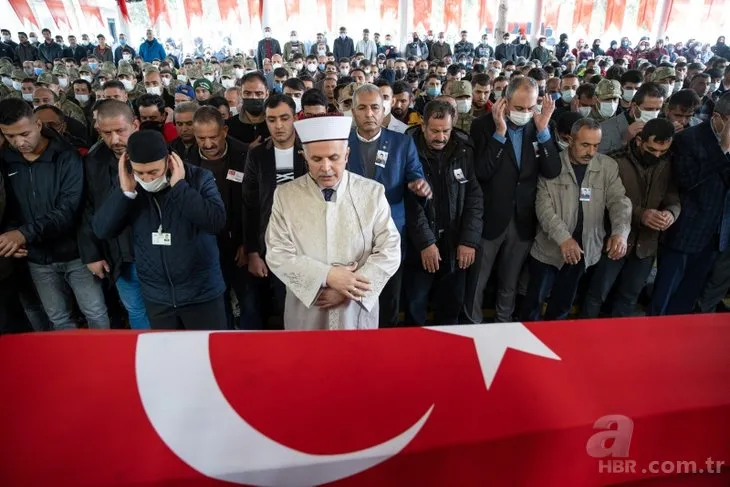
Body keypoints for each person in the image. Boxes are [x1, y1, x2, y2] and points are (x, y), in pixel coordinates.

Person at [265, 115, 401, 330]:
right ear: (304, 157)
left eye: (334, 157)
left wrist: (348, 289)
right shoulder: (285, 195)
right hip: (308, 308)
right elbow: (277, 253)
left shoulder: (372, 192)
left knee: (355, 360)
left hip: (354, 308)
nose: (326, 168)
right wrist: (328, 276)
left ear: (346, 155)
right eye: (317, 159)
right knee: (307, 360)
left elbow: (390, 250)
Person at [93, 129, 228, 330]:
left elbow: (216, 222)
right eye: (140, 172)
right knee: (167, 357)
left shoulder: (199, 178)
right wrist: (125, 193)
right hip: (158, 297)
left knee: (208, 355)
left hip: (200, 292)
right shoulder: (129, 185)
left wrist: (180, 188)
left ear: (168, 160)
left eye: (153, 172)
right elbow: (103, 230)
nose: (147, 179)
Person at [0, 98, 109, 330]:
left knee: (95, 312)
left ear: (38, 125)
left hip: (74, 254)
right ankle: (69, 364)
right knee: (58, 318)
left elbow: (68, 209)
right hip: (37, 258)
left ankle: (104, 362)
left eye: (24, 133)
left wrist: (23, 233)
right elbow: (9, 207)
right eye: (10, 137)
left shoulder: (67, 156)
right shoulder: (6, 161)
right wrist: (12, 232)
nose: (19, 142)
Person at [465, 76, 561, 324]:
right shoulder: (483, 126)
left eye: (530, 107)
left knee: (510, 281)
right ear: (505, 103)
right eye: (519, 108)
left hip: (522, 220)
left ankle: (502, 325)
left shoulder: (538, 126)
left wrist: (543, 131)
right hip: (491, 218)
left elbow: (552, 170)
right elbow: (482, 172)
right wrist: (500, 133)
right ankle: (473, 326)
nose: (525, 113)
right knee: (478, 281)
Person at [520, 118, 631, 321]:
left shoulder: (607, 167)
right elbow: (543, 208)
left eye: (596, 145)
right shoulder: (551, 165)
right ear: (571, 140)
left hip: (583, 250)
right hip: (549, 249)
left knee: (564, 302)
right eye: (585, 145)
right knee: (534, 301)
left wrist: (620, 232)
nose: (591, 151)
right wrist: (564, 239)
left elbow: (619, 202)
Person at [347, 83, 431, 327]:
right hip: (352, 235)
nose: (369, 113)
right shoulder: (342, 143)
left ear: (384, 109)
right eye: (362, 108)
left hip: (391, 234)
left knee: (389, 301)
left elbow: (415, 173)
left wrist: (419, 184)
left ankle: (386, 351)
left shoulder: (401, 143)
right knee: (355, 299)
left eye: (375, 107)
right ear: (353, 112)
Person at [582, 119, 679, 318]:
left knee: (628, 298)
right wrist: (640, 214)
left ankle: (618, 343)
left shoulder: (669, 163)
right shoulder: (614, 161)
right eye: (652, 150)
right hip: (612, 241)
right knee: (596, 295)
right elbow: (597, 200)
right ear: (638, 141)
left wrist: (671, 214)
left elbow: (673, 198)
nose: (657, 155)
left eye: (663, 151)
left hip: (645, 245)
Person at [648, 92, 730, 316]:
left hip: (716, 235)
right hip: (685, 231)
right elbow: (685, 181)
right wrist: (722, 149)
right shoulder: (689, 139)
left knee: (687, 298)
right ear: (718, 117)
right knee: (663, 297)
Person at [403, 101, 483, 325]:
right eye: (435, 131)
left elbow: (474, 199)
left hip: (455, 245)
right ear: (423, 126)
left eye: (446, 131)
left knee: (451, 309)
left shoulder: (464, 150)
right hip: (419, 248)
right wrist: (426, 243)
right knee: (415, 309)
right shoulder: (408, 151)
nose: (440, 137)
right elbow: (409, 204)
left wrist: (469, 240)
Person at [77, 100, 150, 329]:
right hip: (119, 254)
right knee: (135, 309)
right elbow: (87, 209)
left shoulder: (156, 152)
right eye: (107, 133)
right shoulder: (93, 161)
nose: (115, 139)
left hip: (155, 251)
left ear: (135, 124)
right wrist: (92, 254)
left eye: (120, 131)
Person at [241, 95, 307, 329]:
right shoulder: (257, 155)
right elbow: (249, 206)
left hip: (308, 246)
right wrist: (253, 252)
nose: (278, 125)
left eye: (284, 118)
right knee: (282, 307)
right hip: (271, 245)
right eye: (271, 119)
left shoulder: (309, 151)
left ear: (295, 118)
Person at [184, 106, 247, 328]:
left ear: (225, 131)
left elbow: (251, 205)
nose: (208, 144)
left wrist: (246, 243)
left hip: (239, 244)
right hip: (205, 246)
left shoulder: (244, 154)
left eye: (213, 137)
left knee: (247, 304)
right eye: (201, 138)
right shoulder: (185, 159)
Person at [599, 82, 664, 154]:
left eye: (658, 109)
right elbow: (599, 161)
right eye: (649, 109)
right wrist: (624, 141)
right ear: (634, 106)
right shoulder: (604, 129)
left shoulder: (660, 126)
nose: (654, 114)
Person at [226, 72, 270, 147]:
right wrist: (246, 148)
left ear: (267, 94)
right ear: (240, 94)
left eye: (259, 94)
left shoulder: (274, 124)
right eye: (247, 93)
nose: (253, 97)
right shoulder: (229, 127)